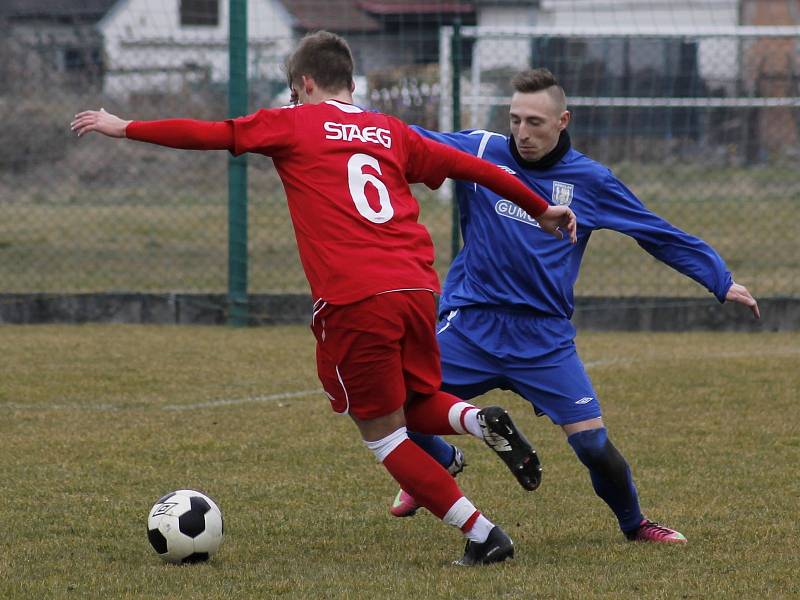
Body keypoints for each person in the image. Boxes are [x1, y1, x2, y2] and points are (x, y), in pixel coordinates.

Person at [70, 34, 578, 565]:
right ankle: (478, 422)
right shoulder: (389, 130)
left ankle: (484, 536)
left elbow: (209, 133)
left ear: (305, 84)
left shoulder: (293, 122)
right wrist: (539, 206)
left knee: (383, 435)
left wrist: (123, 126)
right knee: (412, 401)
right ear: (351, 83)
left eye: (295, 91)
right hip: (418, 288)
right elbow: (471, 167)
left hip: (357, 297)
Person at [388, 68, 760, 544]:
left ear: (563, 120)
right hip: (471, 325)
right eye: (515, 120)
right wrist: (333, 117)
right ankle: (436, 466)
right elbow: (398, 138)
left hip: (544, 338)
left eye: (536, 123)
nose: (522, 133)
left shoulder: (590, 180)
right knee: (391, 402)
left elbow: (653, 231)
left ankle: (636, 526)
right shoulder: (480, 150)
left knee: (593, 444)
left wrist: (718, 278)